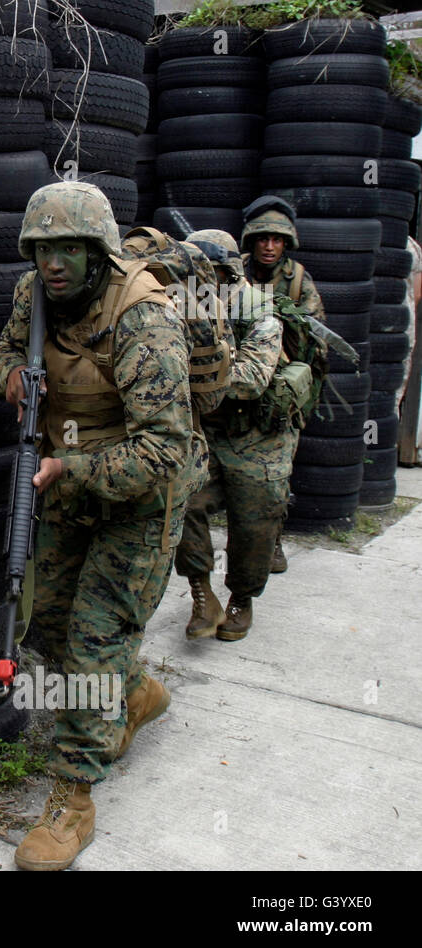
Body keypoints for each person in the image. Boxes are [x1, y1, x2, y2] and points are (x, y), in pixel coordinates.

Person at [0, 182, 197, 871]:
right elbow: (5, 354)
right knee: (46, 621)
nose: (52, 263)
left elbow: (165, 449)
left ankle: (72, 798)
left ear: (99, 252)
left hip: (139, 505)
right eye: (42, 248)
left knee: (91, 640)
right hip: (69, 483)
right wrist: (14, 380)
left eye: (67, 249)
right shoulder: (34, 297)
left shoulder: (146, 319)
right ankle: (133, 692)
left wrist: (67, 470)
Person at [174, 230, 287, 642]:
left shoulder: (258, 309)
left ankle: (242, 596)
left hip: (256, 434)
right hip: (206, 429)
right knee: (180, 494)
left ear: (227, 272)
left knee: (256, 514)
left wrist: (188, 376)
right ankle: (202, 591)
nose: (199, 281)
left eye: (208, 273)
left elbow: (253, 378)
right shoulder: (184, 305)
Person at [239, 195, 324, 575]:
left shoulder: (299, 282)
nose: (269, 247)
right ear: (251, 242)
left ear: (286, 243)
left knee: (277, 477)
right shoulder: (234, 273)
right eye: (262, 239)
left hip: (280, 390)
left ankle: (272, 541)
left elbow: (317, 346)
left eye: (276, 240)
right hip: (240, 381)